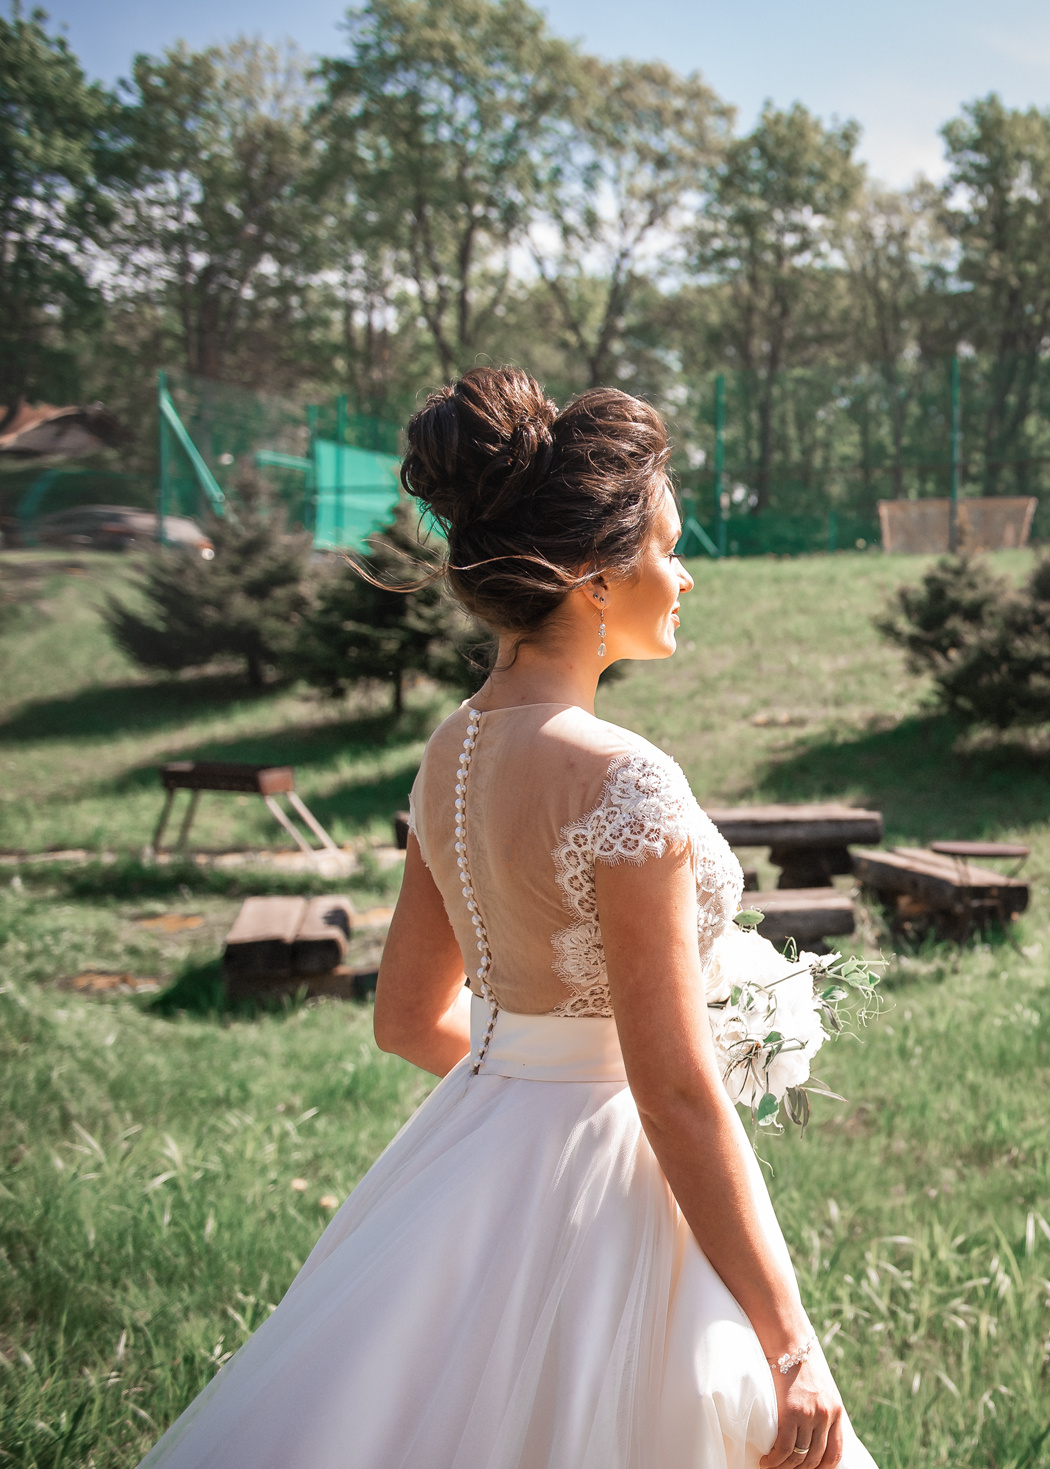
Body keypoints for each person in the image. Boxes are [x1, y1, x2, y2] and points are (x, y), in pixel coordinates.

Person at [139, 367, 874, 1469]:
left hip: (465, 1154)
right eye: (668, 549)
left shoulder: (448, 755)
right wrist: (791, 1343)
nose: (684, 576)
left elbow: (405, 1017)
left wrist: (527, 1095)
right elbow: (673, 1089)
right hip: (617, 1177)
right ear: (594, 575)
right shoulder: (627, 777)